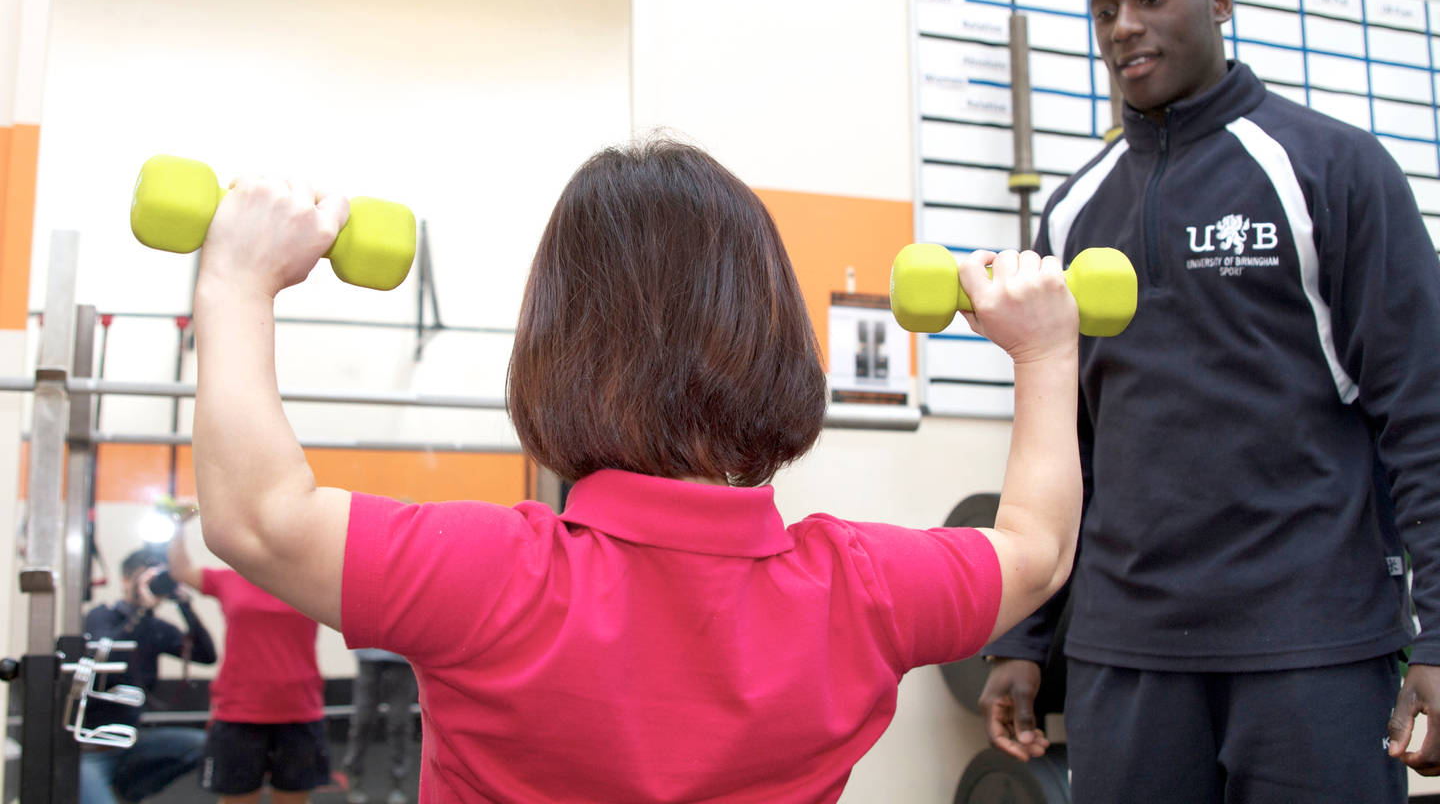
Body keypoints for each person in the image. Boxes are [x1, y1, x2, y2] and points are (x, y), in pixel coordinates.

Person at [182, 137, 1083, 802]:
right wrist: (1046, 353)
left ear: (556, 346)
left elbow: (256, 516)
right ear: (777, 338)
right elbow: (1036, 550)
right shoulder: (867, 591)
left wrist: (237, 279)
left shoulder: (490, 575)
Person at [977, 0, 1440, 803]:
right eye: (1104, 8)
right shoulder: (1073, 213)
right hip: (1126, 656)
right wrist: (1022, 638)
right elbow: (1060, 446)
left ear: (1219, 1)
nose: (1124, 27)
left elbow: (1422, 416)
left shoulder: (1333, 171)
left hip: (1314, 647)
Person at [166, 505, 332, 803]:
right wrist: (178, 524)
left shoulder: (311, 579)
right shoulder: (230, 580)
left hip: (299, 707)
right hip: (239, 709)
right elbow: (179, 570)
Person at [80, 547, 217, 804]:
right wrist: (141, 610)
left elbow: (206, 655)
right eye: (145, 576)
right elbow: (108, 658)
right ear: (125, 579)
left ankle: (131, 791)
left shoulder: (155, 628)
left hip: (132, 741)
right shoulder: (102, 616)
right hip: (90, 748)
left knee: (205, 745)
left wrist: (185, 606)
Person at [340, 648, 416, 804]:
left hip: (402, 652)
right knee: (363, 720)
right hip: (368, 650)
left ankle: (398, 784)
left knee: (399, 723)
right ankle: (355, 777)